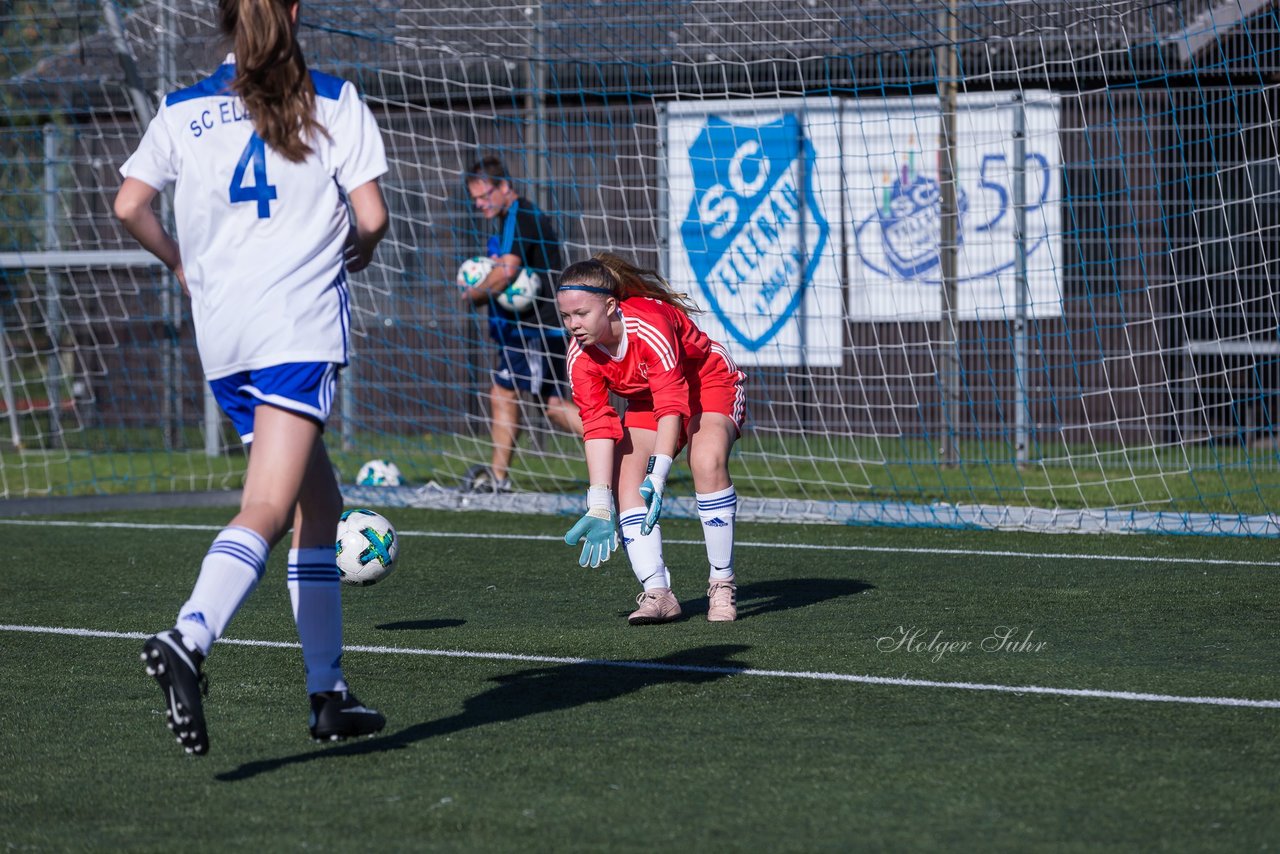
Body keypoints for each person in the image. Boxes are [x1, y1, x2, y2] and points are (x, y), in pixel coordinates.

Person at [114, 0, 389, 755]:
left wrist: (178, 260)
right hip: (293, 326)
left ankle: (329, 696)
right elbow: (371, 216)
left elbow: (129, 204)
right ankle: (189, 637)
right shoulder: (331, 99)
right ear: (297, 11)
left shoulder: (182, 109)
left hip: (225, 332)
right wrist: (357, 243)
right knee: (268, 505)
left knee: (319, 504)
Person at [557, 254, 747, 624]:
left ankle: (722, 584)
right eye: (566, 317)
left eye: (581, 314)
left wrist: (658, 474)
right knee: (624, 480)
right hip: (649, 400)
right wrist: (599, 501)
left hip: (706, 383)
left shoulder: (648, 324)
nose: (573, 325)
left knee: (705, 461)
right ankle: (658, 593)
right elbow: (596, 424)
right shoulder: (579, 356)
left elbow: (673, 402)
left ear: (611, 306)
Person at [461, 157, 582, 491]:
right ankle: (619, 441)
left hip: (535, 329)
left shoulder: (520, 214)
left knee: (505, 393)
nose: (479, 204)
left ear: (504, 187)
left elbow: (508, 271)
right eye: (474, 199)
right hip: (532, 328)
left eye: (484, 195)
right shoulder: (512, 217)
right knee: (552, 406)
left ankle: (498, 479)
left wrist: (474, 293)